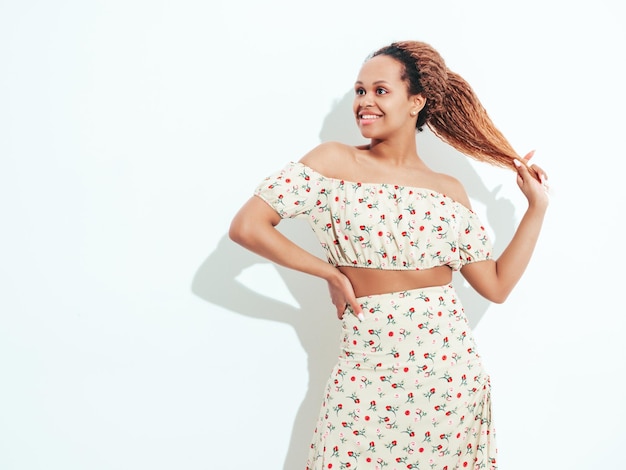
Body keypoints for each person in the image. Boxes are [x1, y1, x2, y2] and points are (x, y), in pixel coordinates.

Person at [228, 40, 548, 470]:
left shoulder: (449, 190)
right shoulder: (332, 161)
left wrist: (536, 208)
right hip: (368, 366)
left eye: (380, 90)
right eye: (360, 91)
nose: (365, 102)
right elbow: (248, 226)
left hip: (448, 374)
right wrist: (329, 272)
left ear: (416, 101)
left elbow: (495, 285)